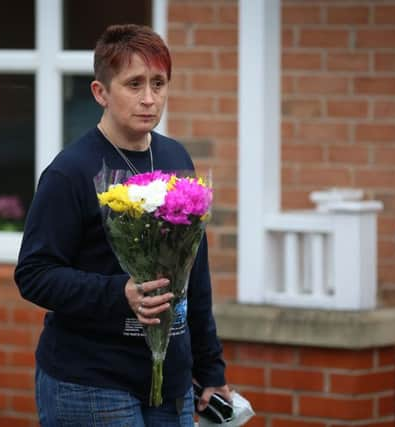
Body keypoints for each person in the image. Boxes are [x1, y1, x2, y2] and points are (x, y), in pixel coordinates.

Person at [14, 23, 231, 426]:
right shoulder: (71, 172)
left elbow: (194, 274)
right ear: (101, 92)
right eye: (134, 84)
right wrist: (120, 293)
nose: (149, 99)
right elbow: (34, 274)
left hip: (174, 385)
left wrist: (210, 370)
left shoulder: (176, 158)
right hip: (91, 384)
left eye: (158, 83)